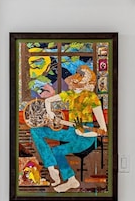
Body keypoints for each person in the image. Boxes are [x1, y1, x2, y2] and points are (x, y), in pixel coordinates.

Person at [30, 65, 107, 193]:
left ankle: (71, 180)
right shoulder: (70, 94)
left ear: (86, 84)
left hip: (87, 137)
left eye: (78, 82)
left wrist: (84, 133)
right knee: (36, 131)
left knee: (57, 150)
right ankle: (51, 167)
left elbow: (103, 130)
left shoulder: (91, 98)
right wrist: (51, 114)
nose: (73, 86)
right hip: (71, 132)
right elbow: (48, 101)